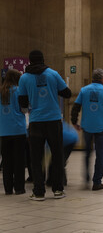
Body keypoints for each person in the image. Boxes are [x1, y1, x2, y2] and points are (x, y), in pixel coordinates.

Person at [18, 50, 71, 201]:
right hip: (54, 120)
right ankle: (58, 190)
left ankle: (39, 191)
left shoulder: (24, 78)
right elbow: (67, 93)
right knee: (57, 155)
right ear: (43, 59)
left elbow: (22, 102)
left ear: (30, 61)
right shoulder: (53, 74)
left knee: (36, 158)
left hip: (36, 121)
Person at [71, 68, 103, 191]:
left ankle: (86, 178)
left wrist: (74, 122)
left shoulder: (84, 90)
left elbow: (75, 107)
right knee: (100, 154)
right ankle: (97, 182)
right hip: (101, 126)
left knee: (87, 153)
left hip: (87, 126)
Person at [0, 69, 27, 195]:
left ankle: (8, 189)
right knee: (19, 161)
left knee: (6, 161)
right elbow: (24, 109)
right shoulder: (19, 90)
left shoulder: (1, 91)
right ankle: (19, 188)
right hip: (18, 130)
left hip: (4, 131)